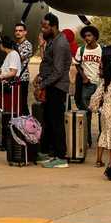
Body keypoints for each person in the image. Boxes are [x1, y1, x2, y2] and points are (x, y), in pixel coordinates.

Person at [35, 15, 72, 168]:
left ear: (54, 26)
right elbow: (48, 63)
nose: (43, 29)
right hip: (51, 86)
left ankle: (60, 156)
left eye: (45, 27)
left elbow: (57, 72)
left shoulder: (60, 44)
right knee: (49, 121)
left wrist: (42, 85)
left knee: (56, 122)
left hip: (57, 88)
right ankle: (48, 152)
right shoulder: (52, 41)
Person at [72, 26, 103, 111]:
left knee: (101, 110)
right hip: (87, 84)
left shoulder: (102, 49)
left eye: (89, 35)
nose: (86, 38)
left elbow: (106, 64)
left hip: (100, 84)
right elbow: (77, 64)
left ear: (95, 37)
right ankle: (87, 124)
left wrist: (102, 71)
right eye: (85, 36)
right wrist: (84, 77)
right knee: (86, 110)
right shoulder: (81, 50)